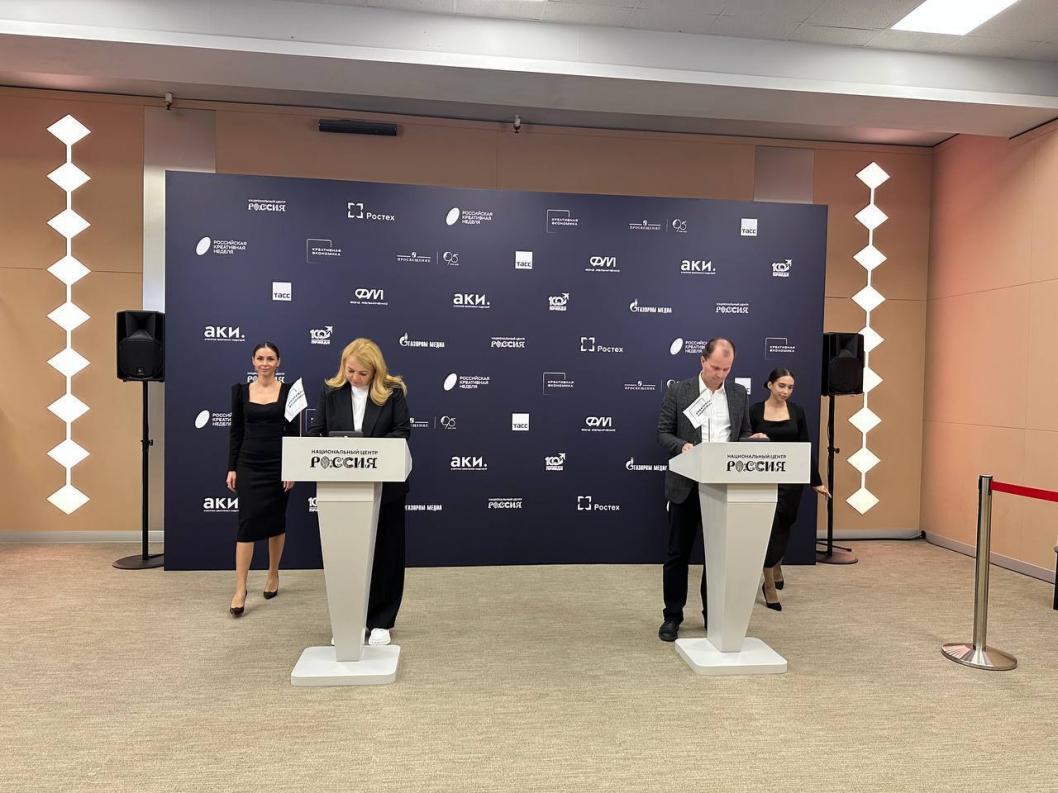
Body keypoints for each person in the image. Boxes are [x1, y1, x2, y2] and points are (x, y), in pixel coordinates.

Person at [655, 338, 767, 642]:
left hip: (724, 486)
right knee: (677, 554)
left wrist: (752, 440)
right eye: (716, 367)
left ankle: (713, 615)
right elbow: (663, 433)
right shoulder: (679, 391)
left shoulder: (738, 393)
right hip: (686, 484)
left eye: (726, 369)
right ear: (702, 361)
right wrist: (683, 446)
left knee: (718, 556)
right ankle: (672, 616)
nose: (720, 374)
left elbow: (741, 433)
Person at [308, 338, 410, 647]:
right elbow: (316, 432)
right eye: (350, 370)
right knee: (345, 555)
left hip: (385, 488)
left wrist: (366, 450)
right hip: (341, 489)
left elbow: (402, 431)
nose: (355, 377)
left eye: (362, 373)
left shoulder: (393, 392)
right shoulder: (330, 392)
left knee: (386, 553)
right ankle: (349, 622)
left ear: (375, 371)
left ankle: (381, 620)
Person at [748, 368, 830, 611]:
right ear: (770, 385)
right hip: (763, 480)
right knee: (769, 529)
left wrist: (815, 481)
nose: (785, 391)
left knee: (784, 526)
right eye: (781, 385)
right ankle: (769, 583)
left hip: (791, 481)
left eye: (790, 387)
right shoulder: (754, 411)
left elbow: (805, 447)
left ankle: (776, 564)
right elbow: (742, 442)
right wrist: (753, 439)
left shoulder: (797, 412)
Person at [226, 342, 297, 617]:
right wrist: (232, 467)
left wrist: (291, 468)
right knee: (246, 525)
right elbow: (236, 431)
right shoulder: (240, 391)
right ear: (253, 361)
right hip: (249, 464)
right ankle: (240, 588)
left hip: (278, 466)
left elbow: (293, 433)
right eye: (260, 358)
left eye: (270, 358)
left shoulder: (290, 391)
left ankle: (273, 574)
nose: (265, 363)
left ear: (278, 362)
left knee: (276, 522)